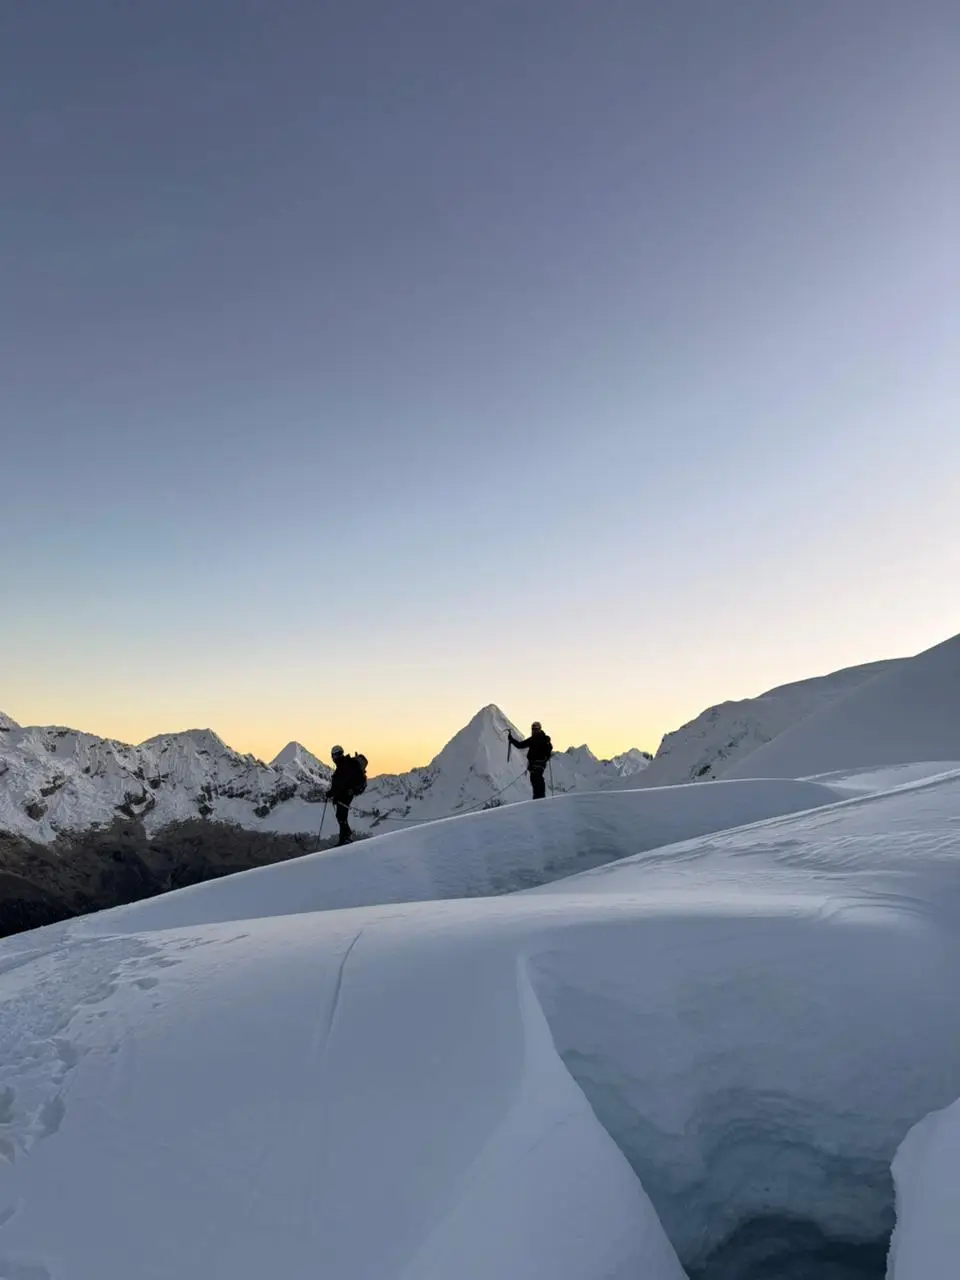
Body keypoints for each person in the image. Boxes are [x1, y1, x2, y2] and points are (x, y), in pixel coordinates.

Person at [326, 745, 366, 845]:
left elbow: (340, 784)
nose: (333, 758)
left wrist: (331, 793)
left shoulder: (343, 766)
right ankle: (344, 838)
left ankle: (345, 838)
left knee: (341, 816)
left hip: (346, 794)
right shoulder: (345, 764)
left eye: (333, 756)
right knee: (341, 816)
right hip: (347, 793)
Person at [508, 721, 553, 800]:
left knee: (536, 782)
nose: (533, 730)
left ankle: (539, 801)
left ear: (539, 729)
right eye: (533, 729)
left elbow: (520, 745)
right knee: (537, 782)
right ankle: (540, 800)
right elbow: (520, 745)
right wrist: (511, 740)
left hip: (536, 765)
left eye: (535, 729)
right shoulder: (543, 739)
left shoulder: (536, 739)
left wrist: (511, 740)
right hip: (538, 765)